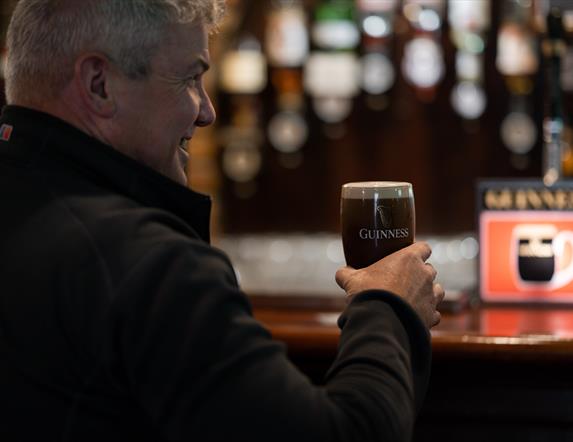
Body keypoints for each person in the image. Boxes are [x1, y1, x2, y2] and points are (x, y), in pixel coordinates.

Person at [0, 0, 444, 441]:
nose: (206, 111)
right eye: (190, 78)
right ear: (99, 84)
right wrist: (389, 307)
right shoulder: (150, 266)